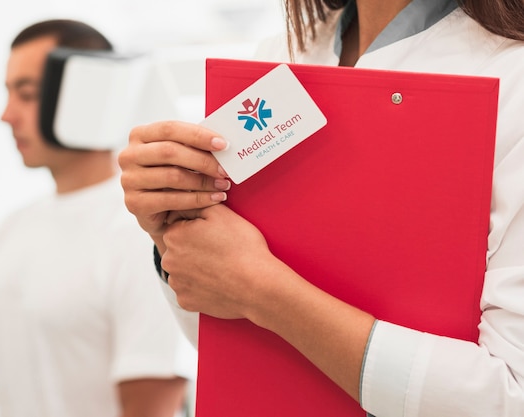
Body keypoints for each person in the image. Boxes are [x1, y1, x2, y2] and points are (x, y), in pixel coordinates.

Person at [118, 1, 524, 416]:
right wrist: (175, 228)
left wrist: (263, 292)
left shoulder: (512, 75)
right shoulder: (282, 55)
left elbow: (509, 395)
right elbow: (234, 352)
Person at [0, 19, 196, 417]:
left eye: (27, 95)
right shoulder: (14, 227)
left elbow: (150, 405)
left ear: (89, 95)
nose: (7, 115)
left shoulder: (142, 236)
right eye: (9, 93)